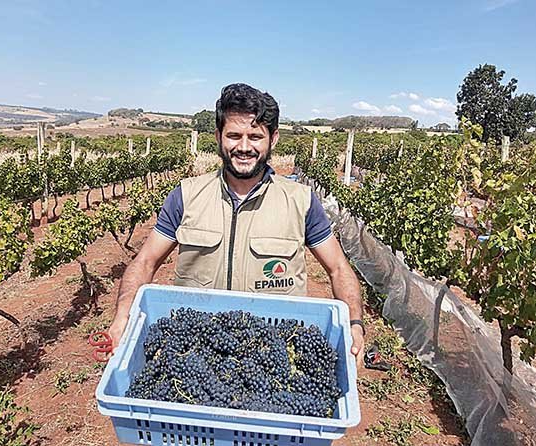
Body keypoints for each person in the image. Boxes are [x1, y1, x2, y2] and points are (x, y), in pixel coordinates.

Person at [109, 83, 364, 363]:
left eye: (255, 136)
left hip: (271, 353)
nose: (244, 147)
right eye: (234, 135)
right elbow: (145, 262)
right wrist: (123, 314)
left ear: (273, 139)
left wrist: (354, 324)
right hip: (196, 350)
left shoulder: (301, 200)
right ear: (218, 136)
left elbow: (339, 268)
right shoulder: (186, 195)